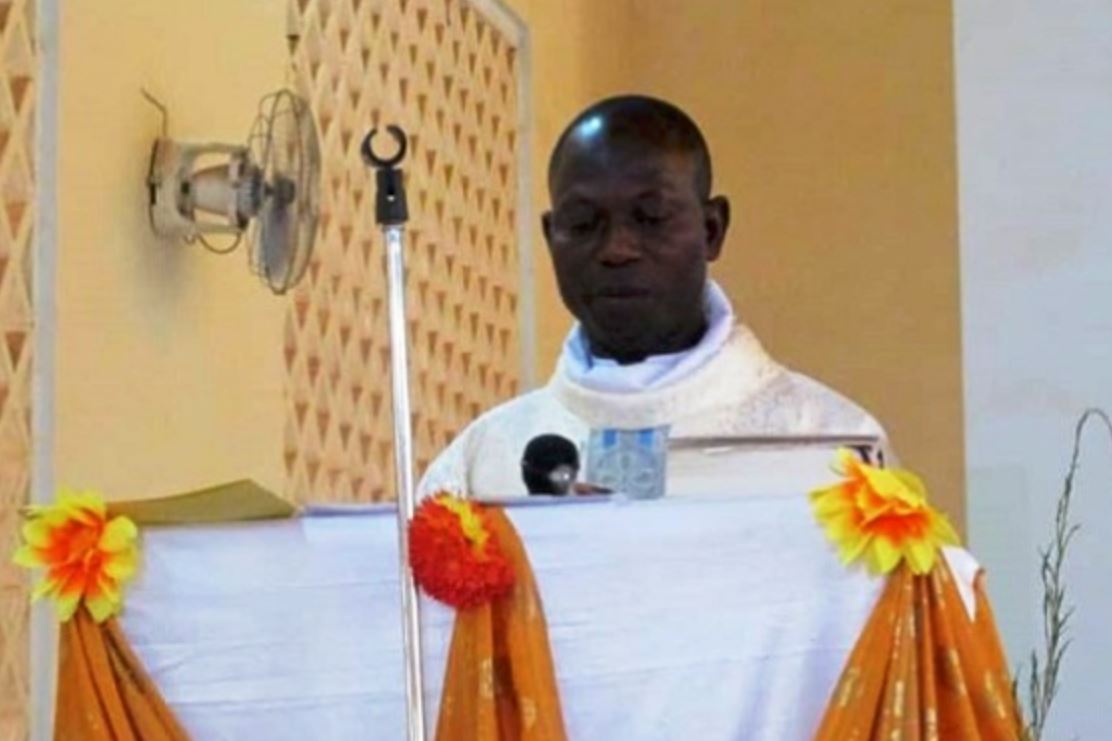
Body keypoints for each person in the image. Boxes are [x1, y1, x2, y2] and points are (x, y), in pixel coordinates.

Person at [420, 94, 885, 498]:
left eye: (651, 217)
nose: (616, 249)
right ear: (550, 236)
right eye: (583, 223)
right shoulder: (482, 464)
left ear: (711, 229)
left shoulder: (832, 450)